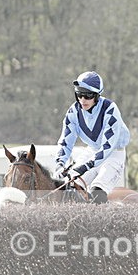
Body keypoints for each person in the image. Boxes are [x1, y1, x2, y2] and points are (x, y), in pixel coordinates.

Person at [54, 71, 130, 204]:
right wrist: (60, 164)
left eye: (87, 95)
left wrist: (85, 166)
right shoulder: (73, 112)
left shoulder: (110, 110)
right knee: (70, 189)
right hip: (92, 151)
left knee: (97, 193)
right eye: (79, 94)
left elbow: (107, 147)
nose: (82, 100)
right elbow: (66, 142)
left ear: (97, 95)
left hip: (113, 154)